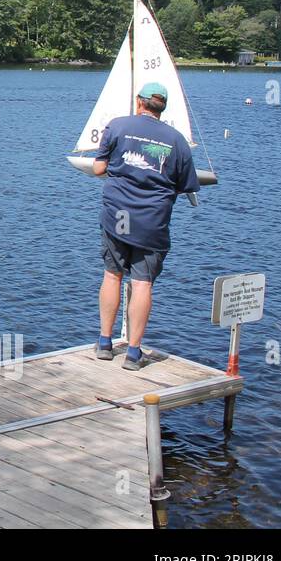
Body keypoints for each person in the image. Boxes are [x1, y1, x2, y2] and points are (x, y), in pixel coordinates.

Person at [92, 82, 200, 370]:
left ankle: (104, 343)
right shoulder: (177, 141)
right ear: (162, 107)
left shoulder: (117, 125)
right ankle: (133, 353)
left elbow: (99, 168)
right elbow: (187, 185)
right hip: (151, 222)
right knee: (142, 283)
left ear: (139, 102)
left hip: (117, 216)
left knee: (112, 275)